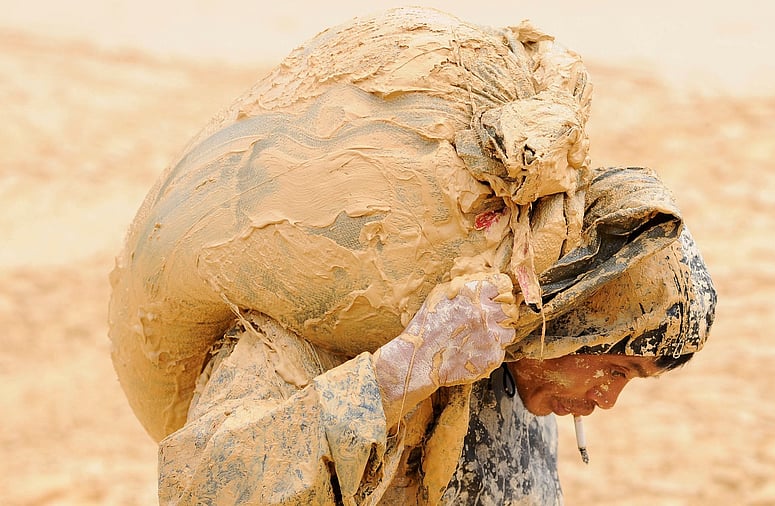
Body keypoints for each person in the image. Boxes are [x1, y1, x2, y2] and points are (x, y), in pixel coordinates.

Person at [156, 165, 716, 505]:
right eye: (616, 369)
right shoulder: (317, 328)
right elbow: (201, 490)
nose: (608, 400)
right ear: (571, 318)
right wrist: (403, 372)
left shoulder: (513, 367)